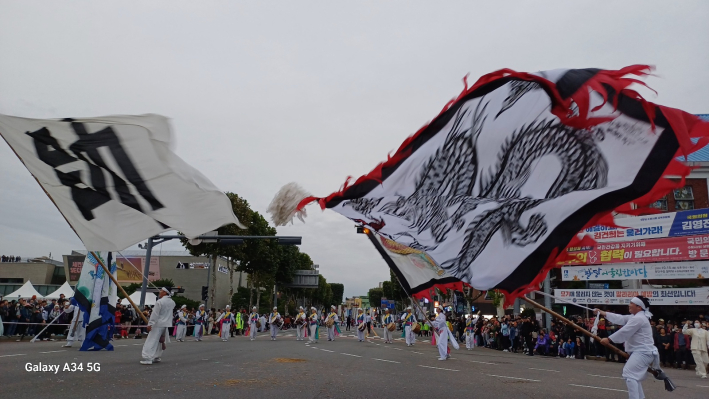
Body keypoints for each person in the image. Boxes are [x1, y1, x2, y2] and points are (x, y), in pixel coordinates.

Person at [596, 296, 663, 399]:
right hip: (641, 352)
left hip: (643, 352)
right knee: (633, 377)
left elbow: (625, 331)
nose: (629, 305)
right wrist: (603, 313)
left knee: (629, 375)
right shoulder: (635, 317)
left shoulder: (639, 318)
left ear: (639, 307)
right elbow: (621, 318)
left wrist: (609, 339)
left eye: (631, 303)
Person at [140, 287, 176, 365]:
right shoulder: (172, 302)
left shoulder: (159, 302)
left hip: (158, 324)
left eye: (162, 291)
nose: (160, 292)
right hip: (165, 324)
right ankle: (157, 356)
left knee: (151, 340)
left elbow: (155, 314)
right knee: (160, 341)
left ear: (165, 293)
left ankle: (148, 358)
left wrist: (150, 324)